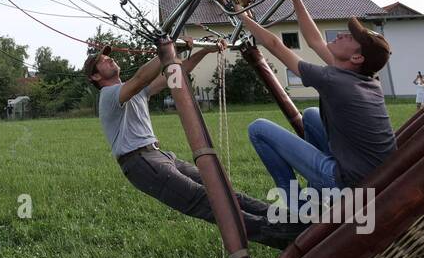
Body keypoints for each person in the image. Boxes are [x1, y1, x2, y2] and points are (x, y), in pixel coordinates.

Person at [85, 39, 295, 246]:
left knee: (223, 190)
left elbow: (177, 73)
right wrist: (167, 48)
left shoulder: (135, 91)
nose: (110, 60)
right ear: (95, 76)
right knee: (208, 201)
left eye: (109, 57)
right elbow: (141, 77)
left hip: (160, 156)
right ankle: (288, 236)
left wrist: (202, 52)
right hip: (141, 162)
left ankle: (290, 221)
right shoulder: (109, 95)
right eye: (104, 60)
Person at [240, 0, 397, 200]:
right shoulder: (362, 78)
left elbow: (275, 45)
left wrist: (240, 14)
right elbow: (315, 40)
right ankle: (317, 188)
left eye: (351, 38)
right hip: (370, 177)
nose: (343, 34)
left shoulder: (336, 81)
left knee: (258, 129)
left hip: (348, 185)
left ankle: (296, 204)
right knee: (312, 115)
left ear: (357, 56)